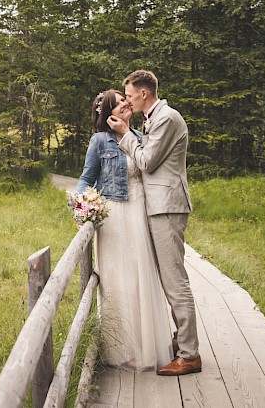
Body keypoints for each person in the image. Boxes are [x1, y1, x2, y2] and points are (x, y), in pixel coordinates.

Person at [107, 69, 201, 376]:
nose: (129, 101)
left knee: (175, 281)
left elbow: (147, 162)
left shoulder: (166, 118)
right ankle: (181, 342)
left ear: (144, 93)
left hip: (167, 206)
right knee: (168, 278)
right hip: (159, 206)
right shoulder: (155, 118)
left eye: (131, 95)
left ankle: (189, 355)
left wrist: (123, 135)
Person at [74, 89, 174, 371]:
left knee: (142, 275)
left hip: (140, 213)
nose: (126, 103)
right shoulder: (99, 141)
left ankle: (146, 347)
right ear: (109, 113)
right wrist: (81, 205)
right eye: (119, 103)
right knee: (118, 279)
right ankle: (121, 349)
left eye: (126, 99)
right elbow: (86, 178)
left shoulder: (141, 138)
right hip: (115, 216)